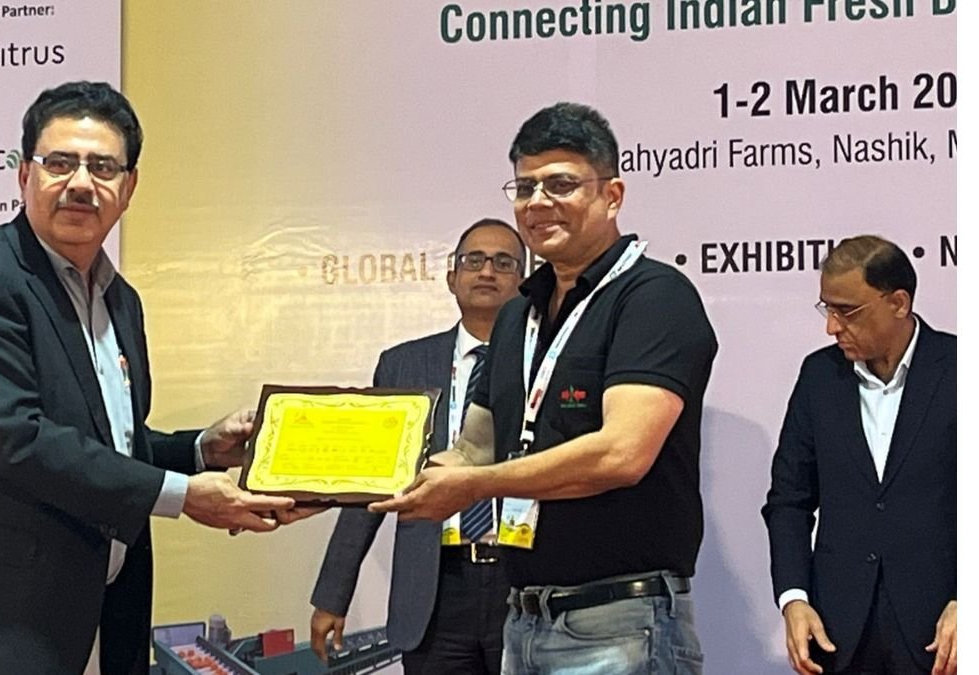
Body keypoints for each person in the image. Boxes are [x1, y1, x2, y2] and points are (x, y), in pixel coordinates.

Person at [0, 81, 299, 675]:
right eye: (60, 163)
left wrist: (201, 450)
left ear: (128, 187)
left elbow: (105, 444)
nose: (80, 183)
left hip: (97, 616)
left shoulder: (121, 300)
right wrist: (182, 496)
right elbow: (19, 439)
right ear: (24, 175)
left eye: (102, 167)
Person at [372, 102, 718, 674]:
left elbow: (621, 455)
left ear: (612, 195)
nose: (537, 203)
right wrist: (350, 483)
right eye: (525, 186)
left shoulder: (654, 297)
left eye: (560, 185)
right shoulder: (518, 314)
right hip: (525, 620)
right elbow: (475, 446)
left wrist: (473, 485)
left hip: (619, 622)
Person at [309, 219, 526, 673]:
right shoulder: (404, 365)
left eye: (504, 263)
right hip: (433, 589)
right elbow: (369, 485)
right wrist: (333, 594)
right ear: (451, 277)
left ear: (524, 282)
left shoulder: (544, 361)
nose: (487, 271)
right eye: (474, 261)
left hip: (523, 581)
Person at [762, 236, 956, 675]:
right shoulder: (819, 376)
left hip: (944, 636)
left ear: (899, 303)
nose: (831, 327)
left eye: (847, 312)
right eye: (826, 309)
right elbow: (789, 500)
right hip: (839, 637)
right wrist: (794, 599)